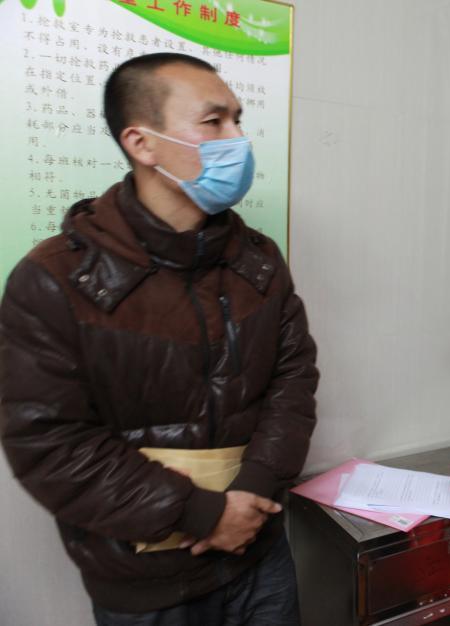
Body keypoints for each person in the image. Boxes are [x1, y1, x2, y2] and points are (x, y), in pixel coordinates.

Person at [0, 53, 319, 625]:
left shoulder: (260, 261)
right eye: (214, 121)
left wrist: (254, 492)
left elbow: (292, 382)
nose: (238, 139)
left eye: (238, 120)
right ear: (142, 143)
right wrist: (202, 514)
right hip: (145, 585)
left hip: (261, 553)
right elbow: (47, 440)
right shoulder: (54, 279)